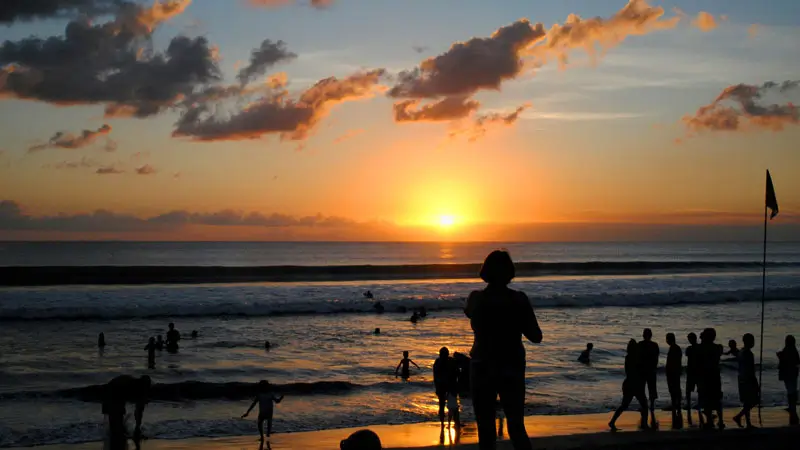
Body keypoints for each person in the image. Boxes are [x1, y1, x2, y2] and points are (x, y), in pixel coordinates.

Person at [465, 250, 542, 450]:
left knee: (485, 429)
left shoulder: (476, 298)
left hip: (482, 365)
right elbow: (536, 336)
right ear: (509, 272)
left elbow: (469, 314)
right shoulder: (519, 299)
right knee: (516, 425)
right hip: (511, 365)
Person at [102, 375, 151, 450]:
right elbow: (139, 410)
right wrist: (137, 428)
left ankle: (116, 438)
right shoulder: (138, 388)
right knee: (116, 426)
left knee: (117, 429)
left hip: (113, 392)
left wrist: (137, 428)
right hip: (112, 393)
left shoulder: (136, 385)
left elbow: (139, 409)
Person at [609, 339, 648, 431]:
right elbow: (639, 370)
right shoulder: (636, 358)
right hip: (635, 384)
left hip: (629, 383)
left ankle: (612, 421)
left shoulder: (629, 357)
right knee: (644, 405)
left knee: (624, 405)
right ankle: (644, 424)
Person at [698, 328, 724, 429]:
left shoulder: (702, 348)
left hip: (705, 375)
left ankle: (709, 420)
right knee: (716, 398)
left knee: (706, 397)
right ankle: (720, 420)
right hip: (715, 375)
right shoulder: (718, 348)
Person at [733, 333, 758, 429]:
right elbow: (750, 369)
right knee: (752, 401)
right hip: (748, 379)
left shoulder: (741, 352)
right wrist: (754, 380)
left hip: (742, 378)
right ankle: (739, 417)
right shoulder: (748, 353)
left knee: (747, 402)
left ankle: (748, 422)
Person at [433, 347, 460, 427]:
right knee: (448, 406)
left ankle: (454, 423)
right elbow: (457, 373)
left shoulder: (440, 361)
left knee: (451, 406)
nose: (443, 356)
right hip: (445, 386)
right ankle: (451, 423)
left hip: (448, 386)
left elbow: (436, 376)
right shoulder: (444, 361)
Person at [638, 328, 660, 428]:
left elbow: (637, 357)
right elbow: (656, 357)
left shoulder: (640, 344)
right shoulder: (654, 345)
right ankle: (651, 406)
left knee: (642, 389)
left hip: (643, 370)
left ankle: (644, 406)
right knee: (651, 389)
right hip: (650, 370)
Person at [778, 335, 800, 425]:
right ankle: (792, 407)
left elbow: (785, 361)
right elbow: (797, 361)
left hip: (787, 374)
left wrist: (780, 356)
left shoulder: (787, 350)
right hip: (791, 374)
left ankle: (792, 407)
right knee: (792, 391)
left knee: (791, 391)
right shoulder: (793, 350)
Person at [665, 333, 683, 429]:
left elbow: (673, 361)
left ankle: (675, 404)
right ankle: (676, 404)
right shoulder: (676, 348)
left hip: (673, 372)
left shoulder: (674, 348)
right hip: (675, 371)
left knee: (673, 389)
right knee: (675, 388)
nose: (666, 340)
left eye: (667, 339)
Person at [685, 332, 703, 427]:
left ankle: (689, 404)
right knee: (698, 389)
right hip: (697, 371)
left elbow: (688, 356)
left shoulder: (690, 349)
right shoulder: (699, 348)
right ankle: (698, 404)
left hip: (692, 371)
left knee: (689, 389)